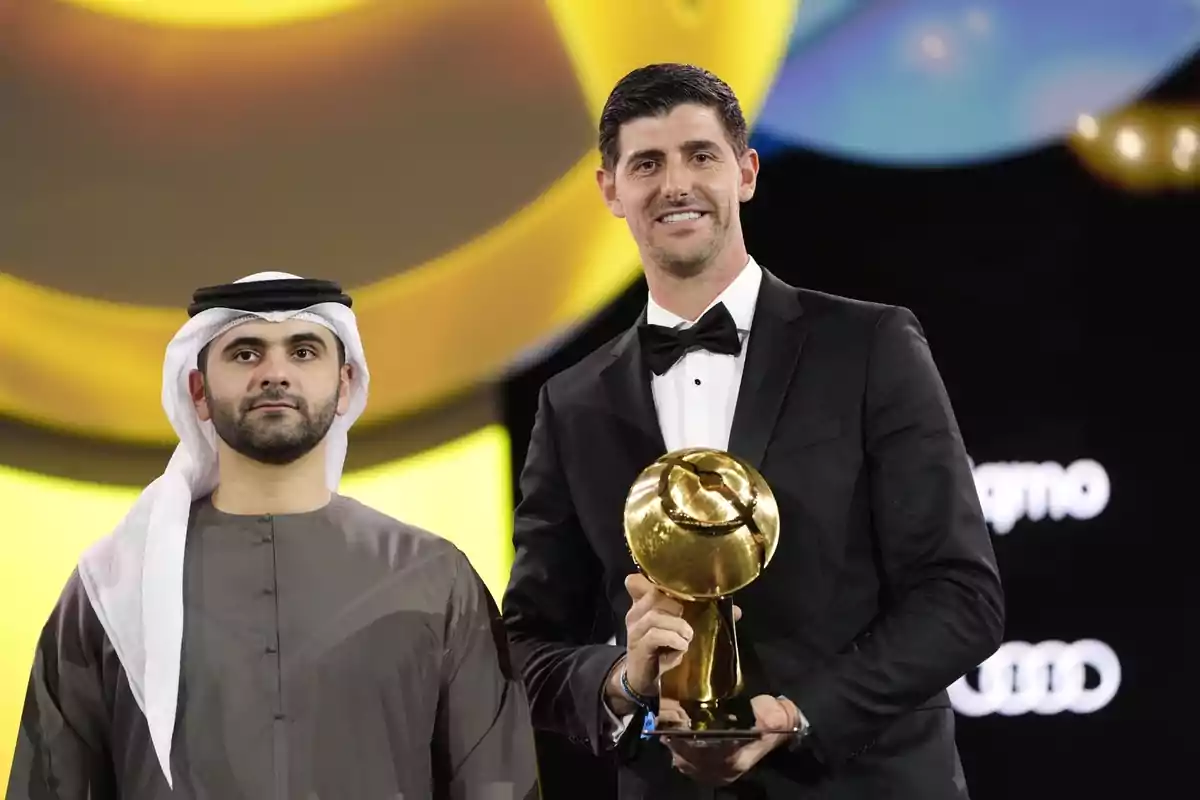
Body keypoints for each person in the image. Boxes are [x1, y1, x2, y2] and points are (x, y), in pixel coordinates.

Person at [501, 63, 1005, 799]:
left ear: (745, 172)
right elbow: (528, 643)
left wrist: (801, 716)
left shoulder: (870, 347)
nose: (676, 184)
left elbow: (962, 597)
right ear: (610, 191)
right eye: (647, 163)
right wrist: (621, 678)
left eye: (700, 155)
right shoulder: (572, 403)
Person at [7, 273, 539, 800]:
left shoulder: (435, 578)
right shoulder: (113, 587)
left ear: (346, 383)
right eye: (245, 353)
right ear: (198, 391)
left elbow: (497, 783)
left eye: (304, 352)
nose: (275, 373)